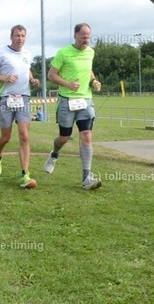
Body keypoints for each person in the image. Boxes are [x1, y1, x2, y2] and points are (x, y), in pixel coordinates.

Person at [43, 23, 102, 190]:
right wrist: (67, 84)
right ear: (75, 36)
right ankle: (54, 153)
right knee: (64, 138)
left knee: (86, 136)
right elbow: (51, 75)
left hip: (85, 100)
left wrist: (94, 81)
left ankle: (86, 177)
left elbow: (88, 70)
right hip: (66, 101)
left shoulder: (90, 52)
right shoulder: (63, 52)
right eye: (83, 36)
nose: (86, 40)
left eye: (88, 37)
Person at [0, 25, 40, 189]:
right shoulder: (1, 53)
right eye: (17, 35)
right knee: (5, 137)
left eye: (23, 36)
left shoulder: (27, 53)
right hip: (6, 99)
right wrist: (5, 78)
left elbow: (27, 70)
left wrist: (32, 79)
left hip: (24, 99)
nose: (20, 38)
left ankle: (25, 175)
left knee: (24, 136)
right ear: (11, 36)